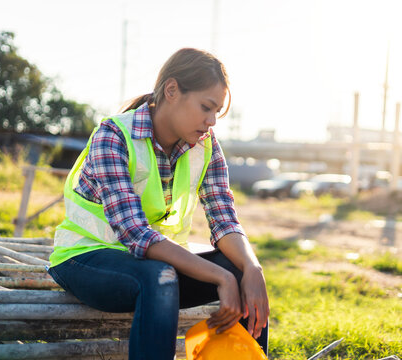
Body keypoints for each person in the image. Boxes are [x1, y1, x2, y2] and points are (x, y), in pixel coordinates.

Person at [47, 48, 269, 360]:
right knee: (161, 275)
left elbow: (225, 221)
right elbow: (137, 234)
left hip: (156, 264)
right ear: (172, 90)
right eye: (206, 107)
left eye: (216, 112)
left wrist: (251, 267)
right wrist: (221, 277)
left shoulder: (205, 146)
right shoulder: (114, 135)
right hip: (85, 261)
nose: (211, 122)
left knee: (241, 272)